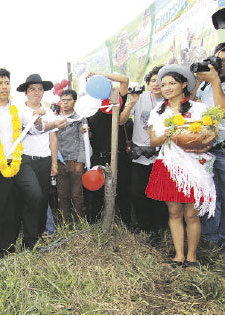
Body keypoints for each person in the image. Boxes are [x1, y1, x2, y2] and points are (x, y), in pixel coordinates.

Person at [146, 64, 216, 268]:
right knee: (174, 213)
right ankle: (178, 256)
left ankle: (192, 257)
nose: (166, 88)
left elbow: (208, 136)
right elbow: (152, 141)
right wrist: (168, 134)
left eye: (172, 83)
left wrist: (205, 145)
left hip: (193, 166)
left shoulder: (199, 108)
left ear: (184, 84)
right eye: (164, 84)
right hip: (168, 165)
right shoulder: (158, 112)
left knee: (191, 214)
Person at [0, 68, 48, 257]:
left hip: (19, 161)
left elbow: (35, 129)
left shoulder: (18, 109)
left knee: (36, 195)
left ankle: (30, 240)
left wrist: (38, 117)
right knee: (3, 208)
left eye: (7, 83)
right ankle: (6, 249)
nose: (4, 87)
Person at [16, 74, 67, 237]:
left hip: (44, 160)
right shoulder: (19, 111)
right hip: (25, 160)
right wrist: (48, 124)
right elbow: (33, 129)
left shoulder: (49, 112)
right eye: (32, 89)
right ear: (26, 92)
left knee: (43, 198)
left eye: (40, 89)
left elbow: (53, 137)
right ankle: (28, 236)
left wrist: (54, 163)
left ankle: (38, 234)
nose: (36, 92)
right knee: (33, 196)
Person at [119, 66, 169, 234]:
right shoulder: (139, 98)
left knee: (159, 194)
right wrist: (131, 102)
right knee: (136, 192)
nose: (156, 84)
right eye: (153, 80)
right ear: (147, 83)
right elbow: (120, 121)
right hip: (139, 155)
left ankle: (159, 226)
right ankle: (144, 223)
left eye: (160, 81)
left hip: (161, 155)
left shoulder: (169, 102)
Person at [86, 71, 132, 228]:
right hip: (98, 157)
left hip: (117, 155)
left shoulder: (114, 99)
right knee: (97, 193)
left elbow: (125, 80)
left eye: (98, 82)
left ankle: (126, 223)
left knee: (122, 191)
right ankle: (95, 224)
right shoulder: (88, 108)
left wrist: (99, 74)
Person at [191, 42, 225, 246]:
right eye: (218, 59)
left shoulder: (215, 84)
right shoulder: (204, 84)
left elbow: (222, 112)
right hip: (206, 148)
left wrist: (215, 82)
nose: (220, 64)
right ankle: (211, 238)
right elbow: (191, 103)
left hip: (223, 148)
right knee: (209, 194)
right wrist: (198, 81)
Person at [56, 89, 88, 223]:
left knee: (76, 195)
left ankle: (78, 223)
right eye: (63, 100)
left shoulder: (80, 118)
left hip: (75, 160)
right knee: (62, 195)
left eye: (68, 100)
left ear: (74, 101)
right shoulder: (56, 119)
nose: (65, 103)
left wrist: (81, 161)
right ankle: (65, 222)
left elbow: (83, 140)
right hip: (60, 161)